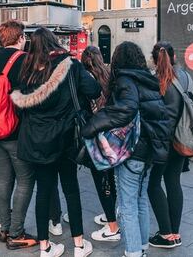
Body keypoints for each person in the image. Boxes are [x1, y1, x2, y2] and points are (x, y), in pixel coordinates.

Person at [11, 27, 101, 257]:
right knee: (71, 190)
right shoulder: (70, 65)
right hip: (66, 137)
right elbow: (93, 90)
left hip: (37, 141)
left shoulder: (26, 71)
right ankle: (79, 245)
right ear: (53, 42)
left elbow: (18, 105)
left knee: (43, 191)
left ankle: (45, 247)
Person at [81, 41, 171, 257]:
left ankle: (133, 252)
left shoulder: (125, 80)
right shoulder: (148, 79)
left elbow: (126, 109)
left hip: (132, 150)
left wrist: (93, 124)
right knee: (140, 200)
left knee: (127, 204)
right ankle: (141, 247)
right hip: (148, 149)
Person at [0, 20, 39, 249]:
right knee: (25, 179)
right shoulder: (25, 60)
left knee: (2, 177)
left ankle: (5, 227)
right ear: (21, 38)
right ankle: (16, 232)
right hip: (16, 130)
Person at [147, 42, 187, 249]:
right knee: (173, 182)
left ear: (155, 59)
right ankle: (175, 233)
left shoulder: (155, 81)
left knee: (153, 184)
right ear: (174, 56)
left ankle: (166, 233)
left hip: (160, 142)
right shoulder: (184, 77)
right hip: (181, 139)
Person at [80, 46, 121, 242]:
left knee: (101, 179)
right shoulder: (108, 75)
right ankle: (110, 214)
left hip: (97, 135)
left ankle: (112, 226)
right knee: (110, 177)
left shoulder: (86, 79)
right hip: (113, 134)